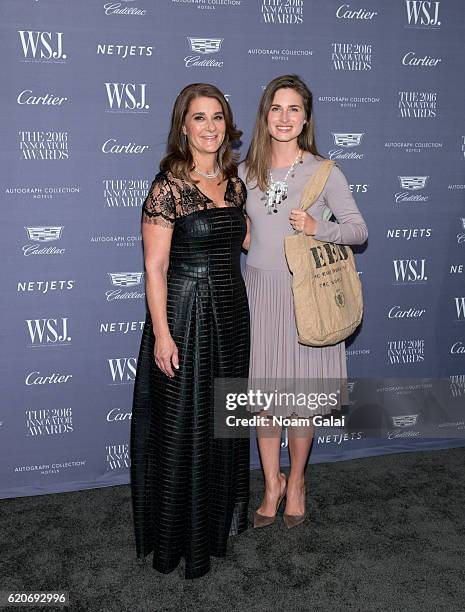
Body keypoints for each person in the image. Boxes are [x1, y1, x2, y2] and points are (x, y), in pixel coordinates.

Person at [130, 83, 250, 579]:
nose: (209, 127)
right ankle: (177, 538)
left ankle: (216, 525)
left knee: (224, 417)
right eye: (199, 118)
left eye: (217, 117)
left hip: (231, 311)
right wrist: (162, 333)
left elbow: (243, 239)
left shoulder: (236, 181)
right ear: (183, 126)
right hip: (184, 312)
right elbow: (155, 268)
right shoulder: (167, 187)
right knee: (183, 423)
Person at [239, 74, 368, 529]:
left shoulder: (324, 172)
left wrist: (319, 228)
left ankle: (296, 482)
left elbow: (358, 230)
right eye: (277, 108)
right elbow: (244, 228)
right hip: (258, 294)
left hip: (304, 296)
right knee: (266, 397)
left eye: (294, 109)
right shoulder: (244, 171)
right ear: (265, 115)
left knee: (302, 396)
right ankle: (270, 484)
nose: (285, 118)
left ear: (307, 118)